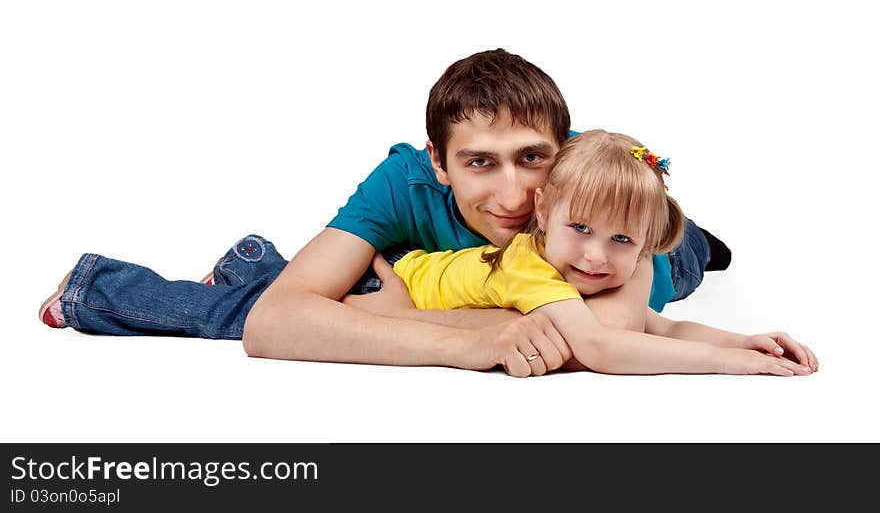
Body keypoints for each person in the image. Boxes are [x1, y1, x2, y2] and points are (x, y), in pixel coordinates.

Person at [38, 49, 731, 377]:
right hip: (468, 281)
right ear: (437, 162)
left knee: (690, 247)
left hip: (678, 250)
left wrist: (392, 318)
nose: (517, 196)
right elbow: (275, 323)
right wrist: (467, 343)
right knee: (309, 303)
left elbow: (595, 337)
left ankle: (699, 238)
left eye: (533, 158)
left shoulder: (600, 200)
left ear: (566, 148)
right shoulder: (403, 177)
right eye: (479, 163)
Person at [346, 130, 817, 376]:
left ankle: (695, 243)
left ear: (646, 248)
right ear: (544, 210)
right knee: (272, 282)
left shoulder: (574, 266)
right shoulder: (530, 265)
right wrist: (731, 365)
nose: (594, 257)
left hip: (421, 283)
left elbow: (667, 327)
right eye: (581, 229)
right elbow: (599, 347)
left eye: (622, 240)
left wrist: (745, 341)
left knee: (684, 263)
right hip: (389, 281)